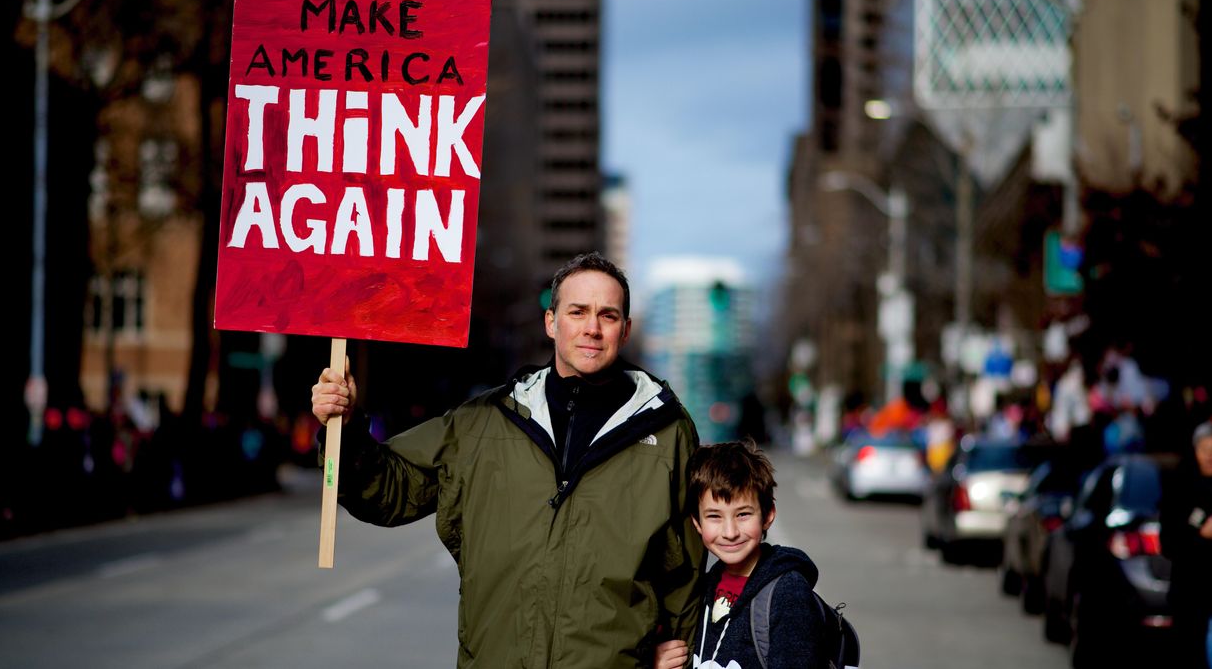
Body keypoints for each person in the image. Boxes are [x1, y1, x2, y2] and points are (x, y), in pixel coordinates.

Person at [311, 252, 704, 668]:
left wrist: (677, 654)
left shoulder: (667, 433)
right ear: (551, 322)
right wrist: (346, 427)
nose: (592, 328)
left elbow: (686, 576)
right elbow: (384, 491)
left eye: (607, 316)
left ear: (625, 331)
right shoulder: (481, 423)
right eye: (578, 312)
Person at [656, 440, 829, 669]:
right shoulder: (702, 588)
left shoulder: (788, 594)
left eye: (743, 514)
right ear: (697, 523)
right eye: (714, 517)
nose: (730, 532)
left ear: (767, 516)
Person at [1162, 421, 1212, 669]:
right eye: (1203, 449)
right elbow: (1168, 542)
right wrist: (1201, 535)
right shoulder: (1180, 488)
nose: (1209, 456)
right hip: (1190, 592)